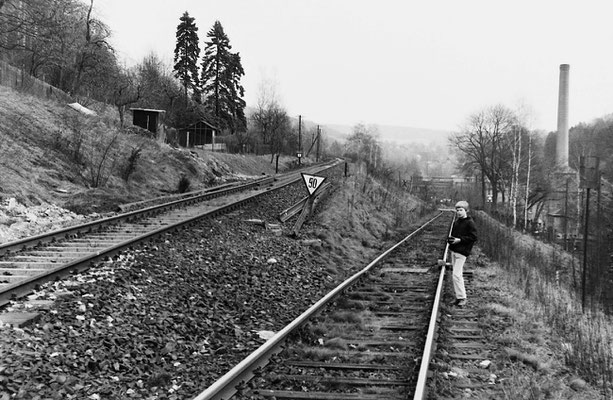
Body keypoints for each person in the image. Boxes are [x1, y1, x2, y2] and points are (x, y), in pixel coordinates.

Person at [447, 200, 478, 307]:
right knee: (455, 275)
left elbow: (473, 237)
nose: (459, 212)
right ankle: (458, 297)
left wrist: (459, 240)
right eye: (457, 210)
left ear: (466, 211)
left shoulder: (470, 222)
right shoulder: (457, 222)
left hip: (462, 252)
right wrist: (451, 241)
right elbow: (455, 235)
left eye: (461, 210)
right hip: (455, 251)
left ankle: (462, 298)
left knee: (456, 275)